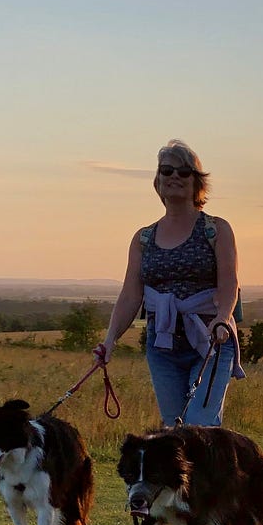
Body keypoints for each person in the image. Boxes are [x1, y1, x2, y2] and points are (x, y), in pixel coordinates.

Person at [94, 139, 244, 426]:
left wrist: (223, 318)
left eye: (184, 172)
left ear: (197, 183)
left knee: (199, 426)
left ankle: (216, 470)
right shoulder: (143, 238)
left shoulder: (216, 229)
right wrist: (109, 340)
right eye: (166, 171)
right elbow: (130, 295)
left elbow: (229, 281)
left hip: (210, 338)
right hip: (161, 344)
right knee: (173, 429)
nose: (174, 176)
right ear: (157, 181)